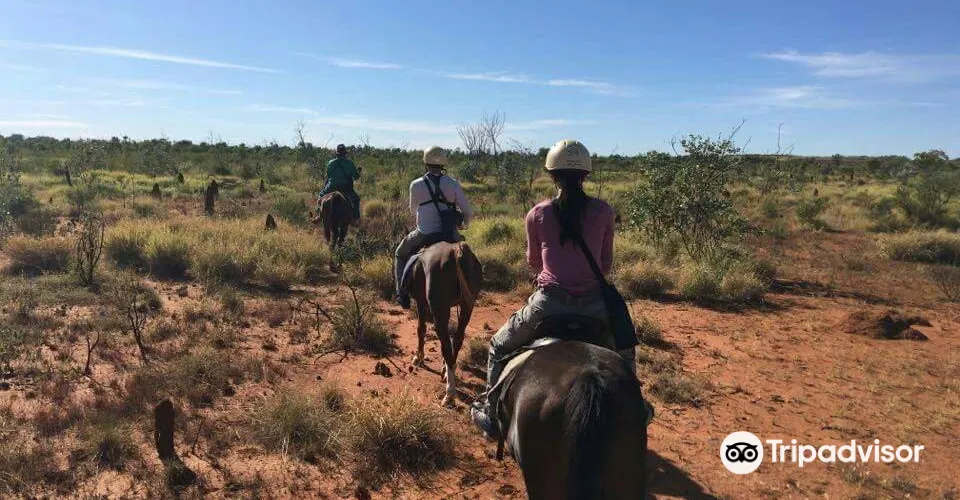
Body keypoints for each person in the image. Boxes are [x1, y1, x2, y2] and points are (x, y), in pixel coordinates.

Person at [470, 139, 636, 440]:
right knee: (625, 352)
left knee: (498, 346)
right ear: (585, 175)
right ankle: (637, 410)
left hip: (549, 304)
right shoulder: (603, 211)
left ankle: (492, 414)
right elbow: (605, 264)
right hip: (596, 305)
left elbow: (534, 262)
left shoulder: (537, 213)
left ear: (552, 175)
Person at [394, 146, 474, 309]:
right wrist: (464, 226)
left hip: (424, 233)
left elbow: (413, 210)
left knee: (400, 253)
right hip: (450, 234)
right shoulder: (453, 184)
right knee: (469, 258)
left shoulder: (416, 184)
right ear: (444, 162)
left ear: (425, 162)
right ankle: (472, 289)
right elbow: (468, 211)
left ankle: (401, 293)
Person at [317, 144, 362, 219]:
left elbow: (328, 175)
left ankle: (319, 215)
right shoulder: (349, 163)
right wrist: (359, 172)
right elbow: (356, 177)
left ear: (337, 154)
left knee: (320, 197)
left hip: (331, 187)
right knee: (356, 199)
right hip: (345, 188)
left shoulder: (330, 162)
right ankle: (356, 218)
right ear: (345, 154)